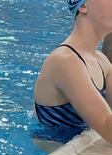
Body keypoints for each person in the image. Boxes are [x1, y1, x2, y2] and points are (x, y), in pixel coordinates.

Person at [33, 0, 112, 145]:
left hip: (82, 149)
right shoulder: (65, 61)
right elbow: (109, 130)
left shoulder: (102, 61)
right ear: (82, 6)